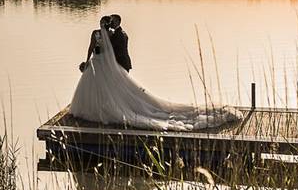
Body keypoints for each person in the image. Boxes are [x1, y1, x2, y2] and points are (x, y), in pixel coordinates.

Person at [70, 16, 242, 131]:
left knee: (107, 89)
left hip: (102, 64)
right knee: (107, 89)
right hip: (103, 64)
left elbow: (98, 49)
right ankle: (103, 107)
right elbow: (98, 49)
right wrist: (92, 61)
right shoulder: (108, 34)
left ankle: (102, 109)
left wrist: (91, 61)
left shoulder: (107, 34)